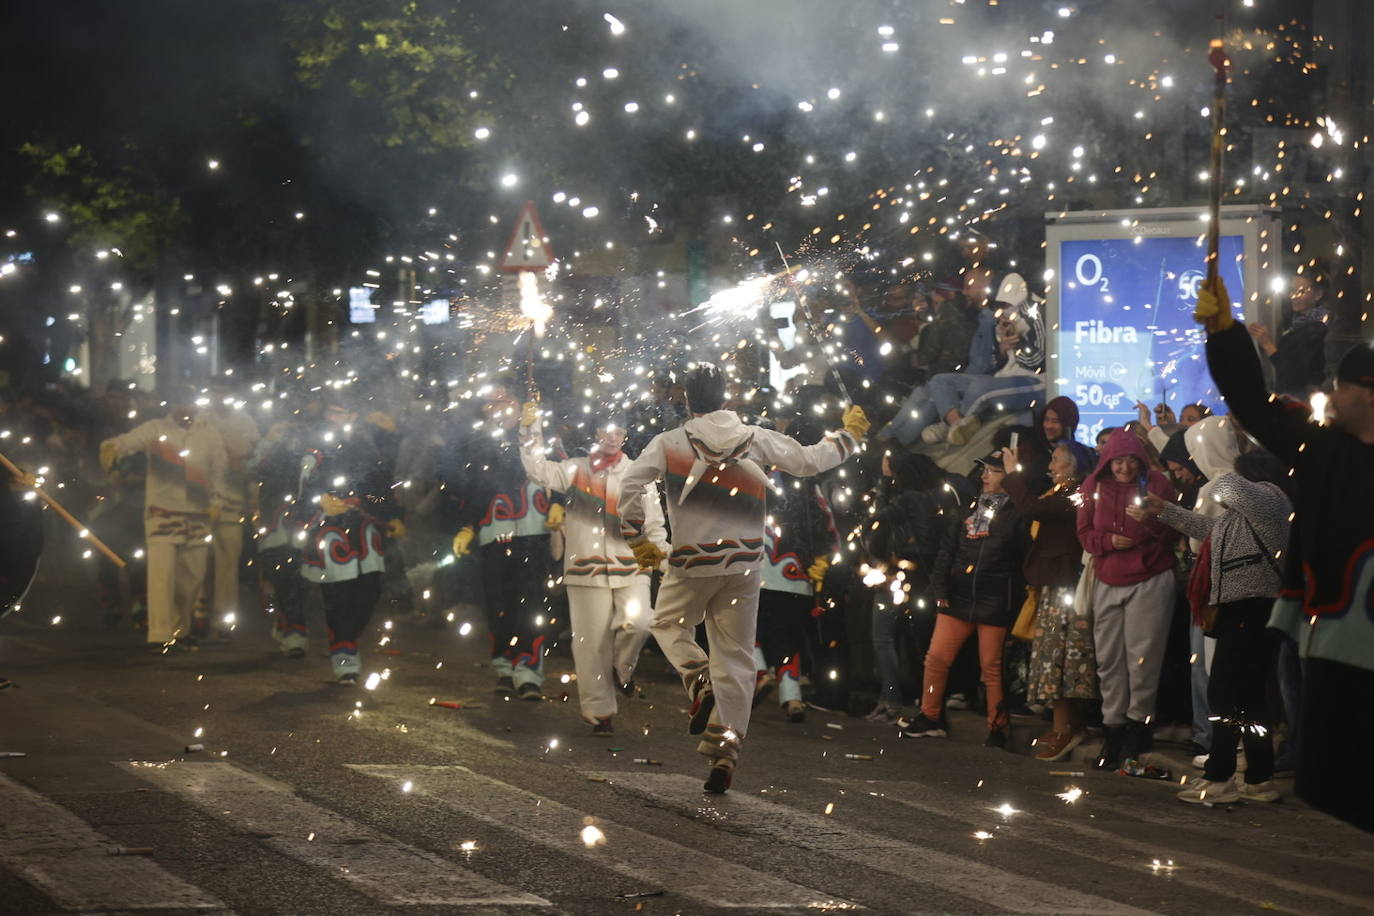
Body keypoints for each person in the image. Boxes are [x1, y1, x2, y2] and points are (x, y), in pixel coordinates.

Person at [618, 363, 866, 793]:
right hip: (747, 564)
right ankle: (726, 750)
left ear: (687, 399)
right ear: (726, 397)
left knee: (666, 624)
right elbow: (808, 461)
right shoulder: (756, 437)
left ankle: (698, 679)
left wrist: (636, 534)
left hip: (692, 561)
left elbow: (630, 485)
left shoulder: (669, 442)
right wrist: (848, 436)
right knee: (736, 656)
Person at [1197, 276, 1374, 832]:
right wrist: (1224, 335)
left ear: (1367, 392)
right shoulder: (1322, 449)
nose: (1330, 395)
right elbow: (1255, 404)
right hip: (1338, 651)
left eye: (1340, 387)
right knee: (1341, 788)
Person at [1131, 450, 1291, 804]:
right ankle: (1259, 778)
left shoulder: (1272, 498)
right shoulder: (1248, 515)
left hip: (1252, 606)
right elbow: (1211, 530)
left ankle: (1220, 778)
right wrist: (1165, 511)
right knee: (1249, 698)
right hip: (1246, 607)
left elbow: (1228, 485)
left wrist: (1218, 460)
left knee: (1224, 692)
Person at [520, 407, 668, 736]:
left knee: (641, 621)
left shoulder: (639, 474)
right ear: (597, 434)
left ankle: (621, 669)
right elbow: (538, 471)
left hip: (633, 566)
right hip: (585, 569)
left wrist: (662, 561)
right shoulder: (575, 470)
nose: (613, 438)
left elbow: (655, 526)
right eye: (607, 431)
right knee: (591, 643)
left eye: (619, 433)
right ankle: (600, 712)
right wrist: (531, 431)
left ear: (625, 437)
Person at [900, 453, 1027, 747]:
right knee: (936, 658)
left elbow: (1021, 557)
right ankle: (930, 716)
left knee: (991, 667)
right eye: (984, 470)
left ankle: (998, 727)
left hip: (994, 599)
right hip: (958, 596)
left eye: (994, 471)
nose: (985, 476)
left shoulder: (1016, 513)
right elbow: (947, 551)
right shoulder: (967, 509)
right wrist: (940, 590)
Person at [1075, 428, 1180, 768]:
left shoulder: (1159, 486)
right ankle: (1113, 730)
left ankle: (1138, 729)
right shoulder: (1092, 486)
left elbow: (1173, 533)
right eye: (1117, 462)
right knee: (1108, 660)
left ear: (1140, 460)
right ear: (1107, 461)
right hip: (1108, 576)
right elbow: (1084, 532)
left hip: (1150, 578)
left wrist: (1150, 522)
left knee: (1143, 658)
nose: (1123, 469)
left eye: (1130, 462)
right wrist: (1106, 541)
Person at [448, 381, 558, 700]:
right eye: (489, 402)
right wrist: (467, 525)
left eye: (501, 400)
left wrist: (557, 506)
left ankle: (529, 670)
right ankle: (504, 665)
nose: (494, 407)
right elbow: (474, 488)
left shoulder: (539, 431)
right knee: (499, 602)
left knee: (532, 600)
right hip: (494, 531)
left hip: (533, 530)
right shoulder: (480, 440)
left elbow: (561, 471)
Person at [99, 386, 228, 649]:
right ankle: (160, 634)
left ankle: (182, 628)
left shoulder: (210, 433)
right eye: (179, 403)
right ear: (173, 405)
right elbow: (127, 441)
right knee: (161, 574)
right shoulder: (156, 428)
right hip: (161, 512)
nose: (184, 409)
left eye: (188, 403)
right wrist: (112, 448)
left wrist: (217, 501)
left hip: (198, 514)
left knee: (192, 579)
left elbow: (219, 471)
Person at [298, 390, 403, 685]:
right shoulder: (314, 446)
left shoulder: (366, 447)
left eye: (341, 413)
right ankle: (345, 657)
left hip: (365, 529)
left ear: (353, 417)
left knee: (369, 593)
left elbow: (382, 486)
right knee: (338, 597)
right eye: (331, 412)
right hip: (330, 530)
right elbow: (300, 487)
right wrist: (319, 501)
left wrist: (393, 514)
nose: (334, 418)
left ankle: (347, 641)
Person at [1004, 440, 1098, 761]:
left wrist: (1011, 475)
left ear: (1073, 465)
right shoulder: (1063, 493)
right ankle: (1065, 725)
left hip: (1067, 585)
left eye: (1056, 460)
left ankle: (1067, 728)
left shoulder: (1078, 494)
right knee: (1053, 655)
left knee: (1064, 658)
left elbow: (1032, 508)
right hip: (1054, 584)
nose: (1050, 467)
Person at [863, 451, 952, 723]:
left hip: (896, 577)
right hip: (917, 578)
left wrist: (882, 486)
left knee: (883, 638)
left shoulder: (907, 499)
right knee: (916, 643)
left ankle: (891, 701)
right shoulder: (933, 498)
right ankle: (919, 704)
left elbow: (874, 520)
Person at [195, 377, 260, 637]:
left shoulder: (245, 422)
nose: (220, 397)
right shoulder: (199, 419)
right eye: (216, 392)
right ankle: (197, 613)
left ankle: (224, 618)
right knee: (197, 559)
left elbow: (256, 460)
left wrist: (252, 495)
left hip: (233, 499)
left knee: (228, 563)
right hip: (201, 499)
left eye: (225, 392)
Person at [1248, 272, 1329, 398]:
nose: (1293, 296)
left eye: (1301, 291)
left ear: (1318, 294)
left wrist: (1267, 344)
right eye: (1292, 291)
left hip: (1304, 401)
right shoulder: (1294, 324)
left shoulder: (1318, 329)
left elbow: (1295, 375)